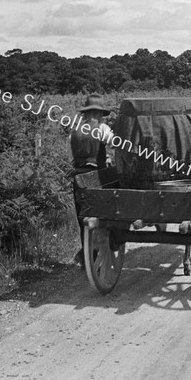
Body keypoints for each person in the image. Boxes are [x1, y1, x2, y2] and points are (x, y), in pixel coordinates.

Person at [69, 94, 113, 267]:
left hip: (78, 177)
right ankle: (99, 252)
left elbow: (71, 156)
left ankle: (87, 255)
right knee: (101, 214)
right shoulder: (102, 128)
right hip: (96, 176)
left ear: (86, 114)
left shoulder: (74, 131)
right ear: (98, 113)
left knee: (83, 217)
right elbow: (113, 143)